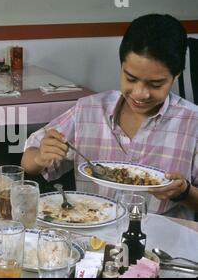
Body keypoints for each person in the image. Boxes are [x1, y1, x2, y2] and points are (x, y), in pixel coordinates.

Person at [22, 14, 198, 220]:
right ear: (121, 66)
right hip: (94, 233)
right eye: (130, 78)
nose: (140, 93)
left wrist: (184, 192)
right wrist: (41, 156)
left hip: (164, 243)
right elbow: (28, 161)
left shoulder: (192, 122)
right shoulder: (89, 110)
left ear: (175, 76)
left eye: (156, 84)